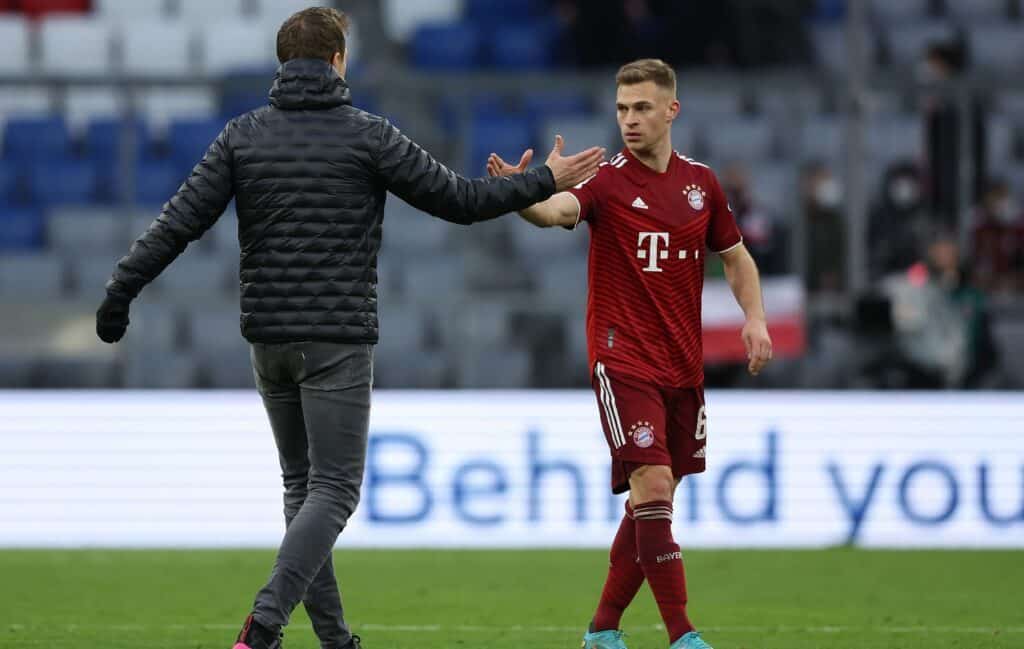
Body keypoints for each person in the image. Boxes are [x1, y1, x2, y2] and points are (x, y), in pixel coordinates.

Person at [94, 8, 604, 649]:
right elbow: (461, 202)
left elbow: (178, 224)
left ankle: (335, 640)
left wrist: (120, 291)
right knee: (334, 489)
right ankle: (264, 625)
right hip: (335, 340)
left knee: (303, 489)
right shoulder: (368, 135)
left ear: (283, 64)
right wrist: (543, 180)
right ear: (339, 61)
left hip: (269, 341)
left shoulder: (241, 136)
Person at [487, 58, 772, 649]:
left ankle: (602, 630)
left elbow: (737, 256)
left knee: (653, 503)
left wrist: (755, 318)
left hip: (682, 364)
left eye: (642, 107)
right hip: (622, 360)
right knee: (654, 485)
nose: (629, 120)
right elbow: (554, 212)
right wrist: (523, 192)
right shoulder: (606, 181)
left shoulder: (701, 184)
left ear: (672, 111)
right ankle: (682, 634)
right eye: (621, 108)